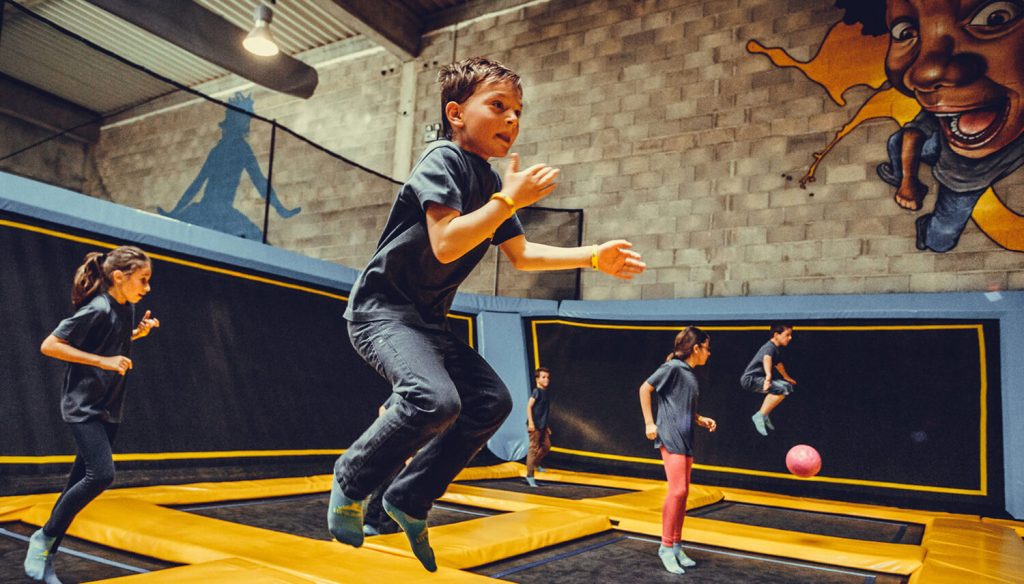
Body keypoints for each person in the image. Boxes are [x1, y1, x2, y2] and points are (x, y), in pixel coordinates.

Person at [327, 56, 646, 572]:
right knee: (432, 399)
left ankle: (409, 498)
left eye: (518, 111)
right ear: (456, 113)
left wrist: (591, 256)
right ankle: (353, 476)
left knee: (489, 402)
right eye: (498, 106)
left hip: (427, 324)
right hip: (382, 311)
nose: (512, 120)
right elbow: (448, 243)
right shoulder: (443, 160)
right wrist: (506, 200)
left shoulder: (491, 179)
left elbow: (521, 255)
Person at [24, 246, 159, 583]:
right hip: (83, 407)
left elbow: (110, 342)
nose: (147, 287)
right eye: (143, 280)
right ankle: (43, 537)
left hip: (108, 406)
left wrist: (136, 335)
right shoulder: (97, 307)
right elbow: (50, 345)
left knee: (76, 484)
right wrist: (103, 362)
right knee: (101, 475)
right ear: (119, 277)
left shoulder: (126, 308)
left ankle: (46, 557)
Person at [638, 326, 717, 575]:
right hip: (670, 435)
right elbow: (644, 389)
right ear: (696, 348)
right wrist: (650, 423)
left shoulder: (690, 374)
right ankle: (665, 547)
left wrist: (699, 418)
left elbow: (681, 405)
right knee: (678, 490)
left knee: (682, 495)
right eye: (707, 348)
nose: (709, 353)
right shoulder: (672, 368)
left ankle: (676, 545)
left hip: (686, 437)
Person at [740, 324, 796, 436]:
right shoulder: (769, 347)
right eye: (787, 335)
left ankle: (764, 414)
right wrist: (768, 378)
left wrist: (786, 377)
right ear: (776, 335)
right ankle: (759, 415)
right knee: (781, 389)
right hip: (751, 379)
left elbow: (778, 364)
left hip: (758, 378)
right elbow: (767, 359)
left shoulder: (775, 349)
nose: (790, 338)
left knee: (788, 387)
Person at [525, 367, 552, 487]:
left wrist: (546, 426)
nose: (546, 379)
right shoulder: (537, 391)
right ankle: (530, 475)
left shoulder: (545, 393)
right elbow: (529, 407)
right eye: (543, 377)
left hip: (542, 425)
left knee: (546, 446)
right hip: (535, 425)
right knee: (533, 449)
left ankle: (536, 463)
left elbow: (543, 411)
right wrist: (531, 423)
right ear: (537, 379)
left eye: (547, 377)